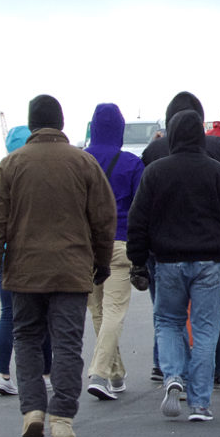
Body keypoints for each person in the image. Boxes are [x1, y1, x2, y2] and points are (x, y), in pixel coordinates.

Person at [0, 95, 116, 437]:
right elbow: (103, 218)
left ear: (31, 122)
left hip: (24, 272)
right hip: (71, 271)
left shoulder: (11, 165)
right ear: (61, 123)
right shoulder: (84, 163)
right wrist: (101, 261)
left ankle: (33, 411)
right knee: (67, 344)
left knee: (25, 339)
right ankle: (62, 419)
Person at [127, 110, 220, 422]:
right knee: (206, 328)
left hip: (167, 261)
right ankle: (200, 403)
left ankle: (172, 376)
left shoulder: (155, 172)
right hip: (208, 260)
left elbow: (138, 220)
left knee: (168, 322)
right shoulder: (219, 172)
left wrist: (138, 262)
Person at [83, 104, 145, 400]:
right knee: (114, 311)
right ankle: (98, 373)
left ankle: (115, 375)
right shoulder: (132, 164)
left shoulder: (79, 161)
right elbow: (141, 209)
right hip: (120, 244)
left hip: (84, 247)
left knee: (97, 311)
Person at [0, 126, 54, 397]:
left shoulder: (3, 172)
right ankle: (46, 373)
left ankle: (3, 373)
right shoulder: (37, 172)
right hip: (36, 255)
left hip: (7, 255)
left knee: (8, 315)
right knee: (44, 314)